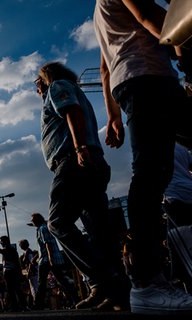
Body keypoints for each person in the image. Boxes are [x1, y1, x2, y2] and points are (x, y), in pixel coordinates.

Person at [94, 0, 192, 315]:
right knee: (150, 174)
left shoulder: (99, 14)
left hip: (132, 82)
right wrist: (185, 44)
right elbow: (149, 16)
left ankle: (151, 276)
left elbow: (104, 68)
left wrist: (113, 117)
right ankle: (147, 281)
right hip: (149, 78)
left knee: (152, 173)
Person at [35, 61, 129, 311]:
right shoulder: (78, 92)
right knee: (98, 231)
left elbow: (71, 113)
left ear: (46, 78)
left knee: (58, 223)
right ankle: (119, 293)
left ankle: (102, 280)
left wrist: (79, 149)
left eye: (37, 82)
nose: (37, 88)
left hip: (73, 162)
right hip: (93, 163)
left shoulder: (58, 86)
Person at [29, 213, 78, 310]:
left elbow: (48, 244)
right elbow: (43, 247)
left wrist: (50, 258)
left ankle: (38, 305)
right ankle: (76, 300)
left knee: (42, 282)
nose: (31, 221)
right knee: (61, 281)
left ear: (37, 220)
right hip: (49, 258)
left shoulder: (43, 228)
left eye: (32, 220)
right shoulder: (42, 228)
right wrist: (35, 257)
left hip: (48, 260)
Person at [163, 141, 192, 291]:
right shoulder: (182, 147)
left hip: (172, 195)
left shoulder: (154, 145)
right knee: (173, 240)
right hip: (188, 192)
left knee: (183, 240)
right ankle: (177, 277)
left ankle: (181, 278)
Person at [0, 236, 26, 311]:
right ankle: (19, 306)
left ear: (5, 241)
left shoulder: (9, 249)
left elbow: (3, 252)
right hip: (10, 272)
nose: (0, 243)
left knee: (14, 290)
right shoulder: (10, 249)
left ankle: (19, 306)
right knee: (13, 290)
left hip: (11, 272)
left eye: (1, 241)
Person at [18, 239, 38, 307]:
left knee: (34, 288)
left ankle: (36, 302)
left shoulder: (28, 252)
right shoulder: (27, 252)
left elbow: (31, 263)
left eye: (20, 245)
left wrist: (29, 272)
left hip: (32, 272)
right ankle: (35, 302)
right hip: (32, 272)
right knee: (33, 288)